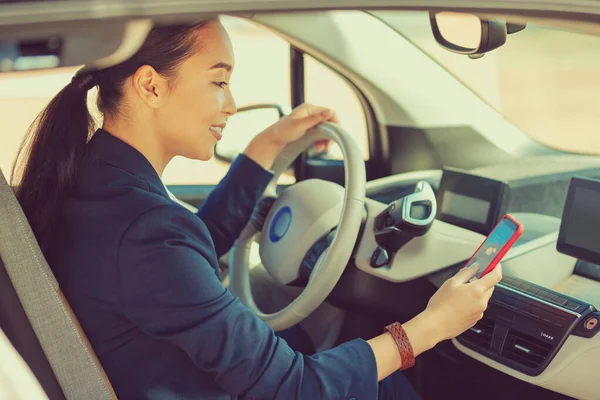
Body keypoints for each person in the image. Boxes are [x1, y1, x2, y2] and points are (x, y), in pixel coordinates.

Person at [12, 18, 502, 399]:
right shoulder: (147, 230)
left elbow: (184, 261)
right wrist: (428, 328)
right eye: (218, 81)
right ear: (150, 86)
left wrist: (265, 151)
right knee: (381, 386)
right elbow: (295, 388)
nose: (231, 104)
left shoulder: (95, 181)